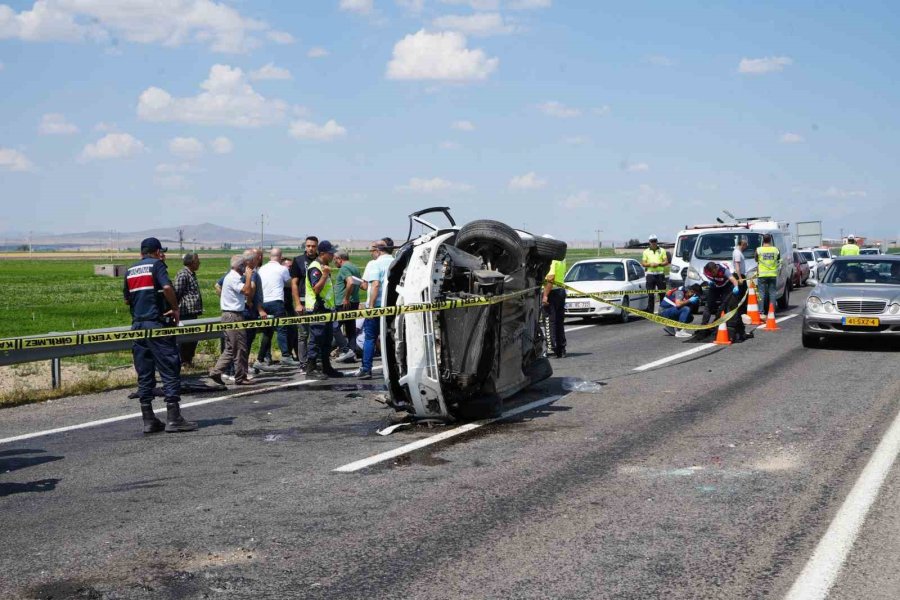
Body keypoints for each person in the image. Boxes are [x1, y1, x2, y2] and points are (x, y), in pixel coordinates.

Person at [124, 237, 197, 433]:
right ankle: (174, 418)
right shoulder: (157, 266)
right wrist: (174, 308)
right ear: (157, 252)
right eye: (161, 252)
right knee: (170, 368)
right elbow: (166, 287)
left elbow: (126, 299)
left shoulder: (130, 270)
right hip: (156, 325)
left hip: (138, 326)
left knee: (145, 372)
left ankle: (148, 419)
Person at [209, 254, 255, 386]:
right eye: (245, 266)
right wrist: (249, 276)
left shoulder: (230, 277)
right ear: (241, 266)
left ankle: (216, 371)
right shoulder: (234, 278)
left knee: (230, 348)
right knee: (240, 347)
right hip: (234, 316)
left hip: (228, 315)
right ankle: (240, 376)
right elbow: (246, 291)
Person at [353, 240, 394, 379]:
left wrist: (370, 306)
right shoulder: (396, 262)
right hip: (393, 306)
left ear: (378, 250)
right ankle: (394, 369)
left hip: (377, 306)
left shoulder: (376, 264)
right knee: (391, 338)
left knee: (370, 338)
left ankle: (366, 368)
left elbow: (375, 285)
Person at [304, 240, 345, 380]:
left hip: (326, 309)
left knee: (327, 339)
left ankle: (326, 367)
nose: (333, 255)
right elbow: (316, 289)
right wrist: (325, 275)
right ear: (323, 253)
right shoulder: (315, 268)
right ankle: (311, 368)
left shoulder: (324, 266)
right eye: (331, 253)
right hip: (317, 309)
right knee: (316, 339)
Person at [256, 248, 297, 367]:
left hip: (263, 303)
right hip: (276, 302)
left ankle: (260, 359)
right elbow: (290, 283)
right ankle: (285, 355)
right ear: (280, 257)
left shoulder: (261, 269)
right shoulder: (282, 269)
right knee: (281, 328)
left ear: (270, 257)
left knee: (268, 332)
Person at [290, 236, 319, 372]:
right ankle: (303, 362)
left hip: (318, 303)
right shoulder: (298, 261)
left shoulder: (320, 260)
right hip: (302, 301)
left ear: (317, 246)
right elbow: (294, 283)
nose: (310, 248)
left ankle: (314, 361)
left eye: (313, 246)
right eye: (308, 246)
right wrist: (297, 303)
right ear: (305, 246)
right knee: (303, 334)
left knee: (317, 333)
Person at [173, 252, 203, 365]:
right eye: (197, 261)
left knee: (193, 338)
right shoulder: (183, 274)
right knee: (186, 339)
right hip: (186, 313)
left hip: (192, 312)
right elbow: (176, 293)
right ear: (191, 262)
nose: (199, 263)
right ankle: (183, 361)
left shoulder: (191, 274)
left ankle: (188, 360)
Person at [333, 249, 362, 362]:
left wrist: (345, 298)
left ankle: (346, 350)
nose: (334, 262)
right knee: (350, 328)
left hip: (344, 303)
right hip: (354, 300)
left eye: (335, 260)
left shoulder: (344, 268)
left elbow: (349, 282)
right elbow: (361, 283)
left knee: (334, 326)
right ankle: (352, 353)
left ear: (339, 259)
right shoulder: (354, 267)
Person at [542, 243, 567, 358]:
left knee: (549, 321)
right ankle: (561, 348)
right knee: (559, 321)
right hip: (560, 291)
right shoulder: (561, 258)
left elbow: (551, 278)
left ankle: (552, 348)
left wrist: (545, 295)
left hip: (551, 292)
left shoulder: (551, 259)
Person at [701, 261, 741, 327]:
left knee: (725, 304)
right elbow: (705, 277)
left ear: (716, 268)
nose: (712, 274)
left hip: (726, 286)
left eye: (713, 272)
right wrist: (709, 282)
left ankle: (723, 323)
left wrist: (736, 287)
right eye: (711, 273)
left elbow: (733, 279)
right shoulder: (706, 270)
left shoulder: (724, 270)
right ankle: (703, 325)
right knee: (709, 305)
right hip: (714, 285)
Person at [642, 235, 669, 313]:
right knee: (650, 295)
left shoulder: (662, 250)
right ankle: (651, 312)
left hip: (660, 274)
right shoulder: (645, 251)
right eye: (652, 241)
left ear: (657, 241)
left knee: (662, 294)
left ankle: (663, 311)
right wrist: (650, 264)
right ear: (649, 242)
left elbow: (666, 261)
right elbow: (643, 263)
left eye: (655, 241)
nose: (653, 243)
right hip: (650, 275)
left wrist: (658, 264)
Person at [755, 234, 780, 315]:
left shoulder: (759, 250)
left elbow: (756, 259)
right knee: (772, 293)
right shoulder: (775, 250)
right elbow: (778, 259)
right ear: (770, 240)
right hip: (772, 274)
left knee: (761, 293)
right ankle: (772, 311)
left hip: (762, 275)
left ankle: (761, 312)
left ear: (763, 240)